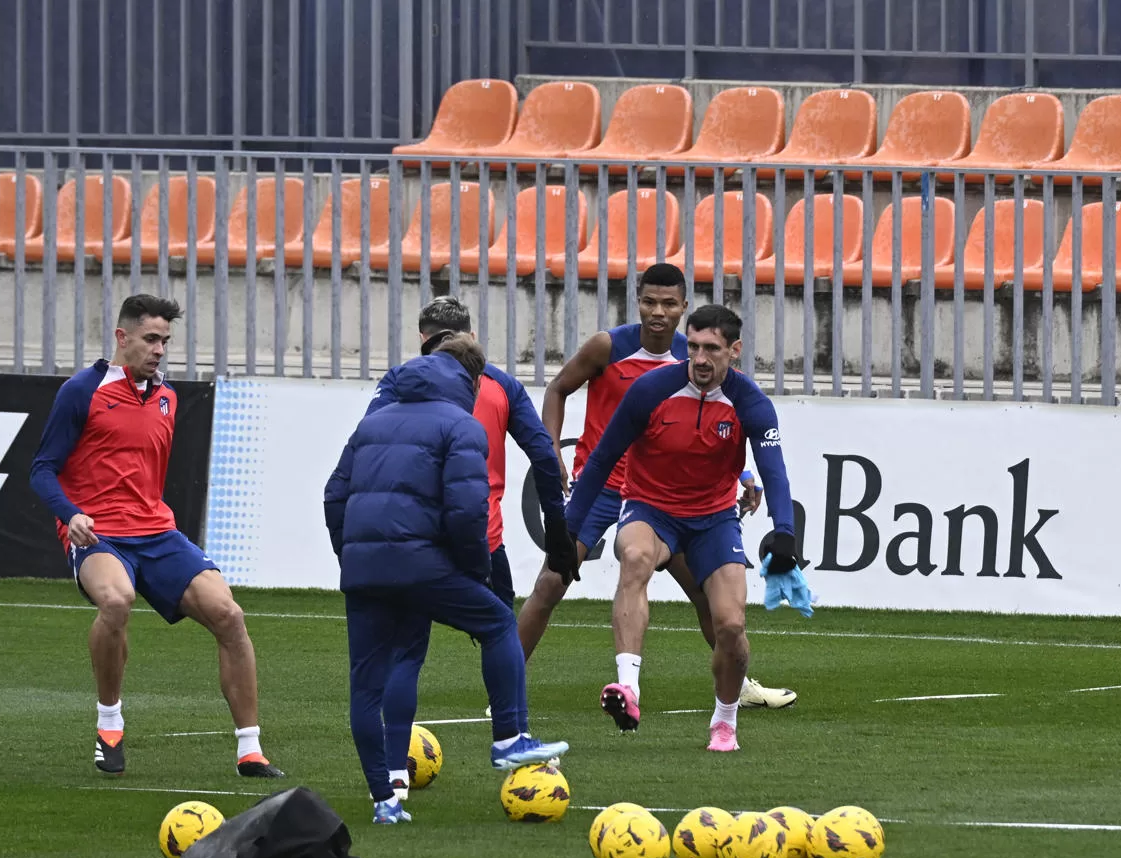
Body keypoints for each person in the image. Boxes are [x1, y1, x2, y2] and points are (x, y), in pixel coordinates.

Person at [516, 262, 797, 712]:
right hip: (604, 486)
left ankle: (736, 684)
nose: (658, 312)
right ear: (638, 302)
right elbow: (557, 388)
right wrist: (551, 452)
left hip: (664, 496)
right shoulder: (608, 346)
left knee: (708, 597)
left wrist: (742, 476)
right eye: (649, 301)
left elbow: (711, 428)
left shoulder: (696, 356)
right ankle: (507, 687)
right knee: (551, 580)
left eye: (669, 304)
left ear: (684, 308)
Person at [29, 294, 282, 778]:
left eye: (165, 340)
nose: (160, 349)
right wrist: (71, 514)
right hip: (97, 533)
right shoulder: (82, 391)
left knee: (230, 615)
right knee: (117, 600)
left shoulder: (167, 397)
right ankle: (110, 724)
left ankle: (250, 750)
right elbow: (42, 469)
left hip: (157, 532)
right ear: (122, 338)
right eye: (150, 339)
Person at [324, 334, 569, 824]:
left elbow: (334, 495)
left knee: (367, 684)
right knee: (498, 623)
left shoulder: (372, 421)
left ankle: (386, 799)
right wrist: (473, 567)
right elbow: (465, 510)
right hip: (423, 563)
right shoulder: (462, 424)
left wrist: (350, 556)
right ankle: (508, 738)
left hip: (364, 569)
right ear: (474, 379)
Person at [566, 304, 797, 752]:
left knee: (730, 626)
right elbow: (601, 461)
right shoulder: (652, 389)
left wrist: (784, 531)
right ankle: (628, 689)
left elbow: (775, 471)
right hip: (650, 509)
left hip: (713, 520)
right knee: (633, 558)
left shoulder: (751, 403)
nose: (700, 358)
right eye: (693, 346)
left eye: (711, 348)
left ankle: (724, 721)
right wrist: (568, 529)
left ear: (735, 350)